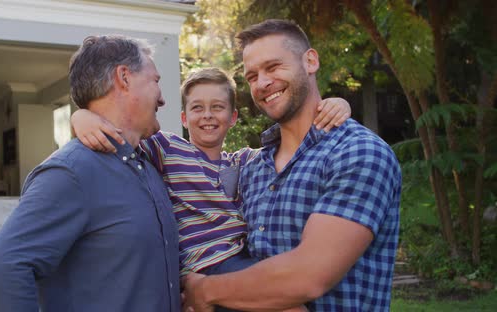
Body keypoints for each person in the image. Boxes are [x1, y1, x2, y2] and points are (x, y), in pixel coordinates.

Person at [72, 68, 350, 312]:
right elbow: (119, 132)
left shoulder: (245, 161)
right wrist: (82, 117)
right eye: (197, 108)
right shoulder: (167, 148)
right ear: (183, 117)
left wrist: (337, 104)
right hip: (202, 264)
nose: (207, 115)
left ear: (232, 117)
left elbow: (293, 141)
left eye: (217, 107)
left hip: (241, 259)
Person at [181, 19, 402, 312]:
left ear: (310, 61)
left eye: (273, 67)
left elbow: (309, 276)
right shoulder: (252, 169)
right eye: (252, 76)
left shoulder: (357, 152)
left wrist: (205, 290)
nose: (262, 83)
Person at [0, 35, 180, 312]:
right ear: (124, 77)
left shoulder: (151, 162)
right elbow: (1, 272)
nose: (163, 98)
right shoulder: (71, 172)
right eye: (155, 81)